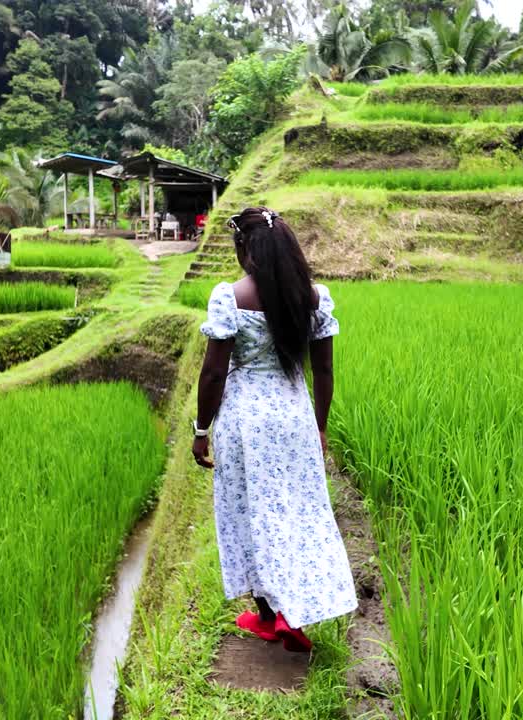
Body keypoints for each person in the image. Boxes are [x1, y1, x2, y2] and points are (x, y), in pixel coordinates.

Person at [191, 206, 358, 653]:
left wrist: (200, 429)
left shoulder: (230, 296)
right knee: (296, 511)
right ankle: (293, 616)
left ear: (245, 247)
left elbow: (213, 374)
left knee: (250, 510)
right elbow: (323, 371)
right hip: (294, 416)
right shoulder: (313, 296)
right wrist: (319, 428)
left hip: (245, 420)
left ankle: (269, 615)